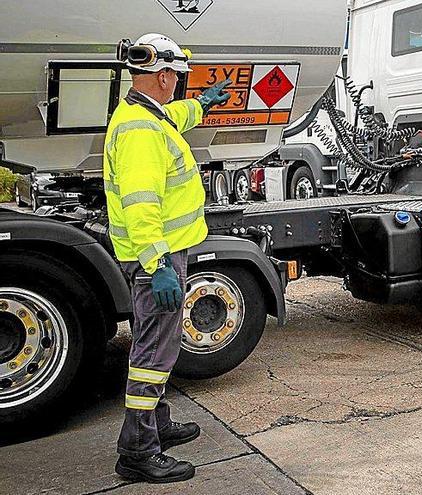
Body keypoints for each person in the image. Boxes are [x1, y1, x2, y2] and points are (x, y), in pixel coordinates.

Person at [104, 33, 231, 483]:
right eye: (177, 77)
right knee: (153, 354)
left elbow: (174, 115)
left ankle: (156, 426)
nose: (178, 85)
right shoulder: (140, 132)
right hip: (155, 258)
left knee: (153, 344)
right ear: (162, 76)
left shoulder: (143, 113)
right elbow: (142, 206)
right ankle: (137, 451)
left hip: (153, 255)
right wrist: (158, 266)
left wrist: (203, 104)